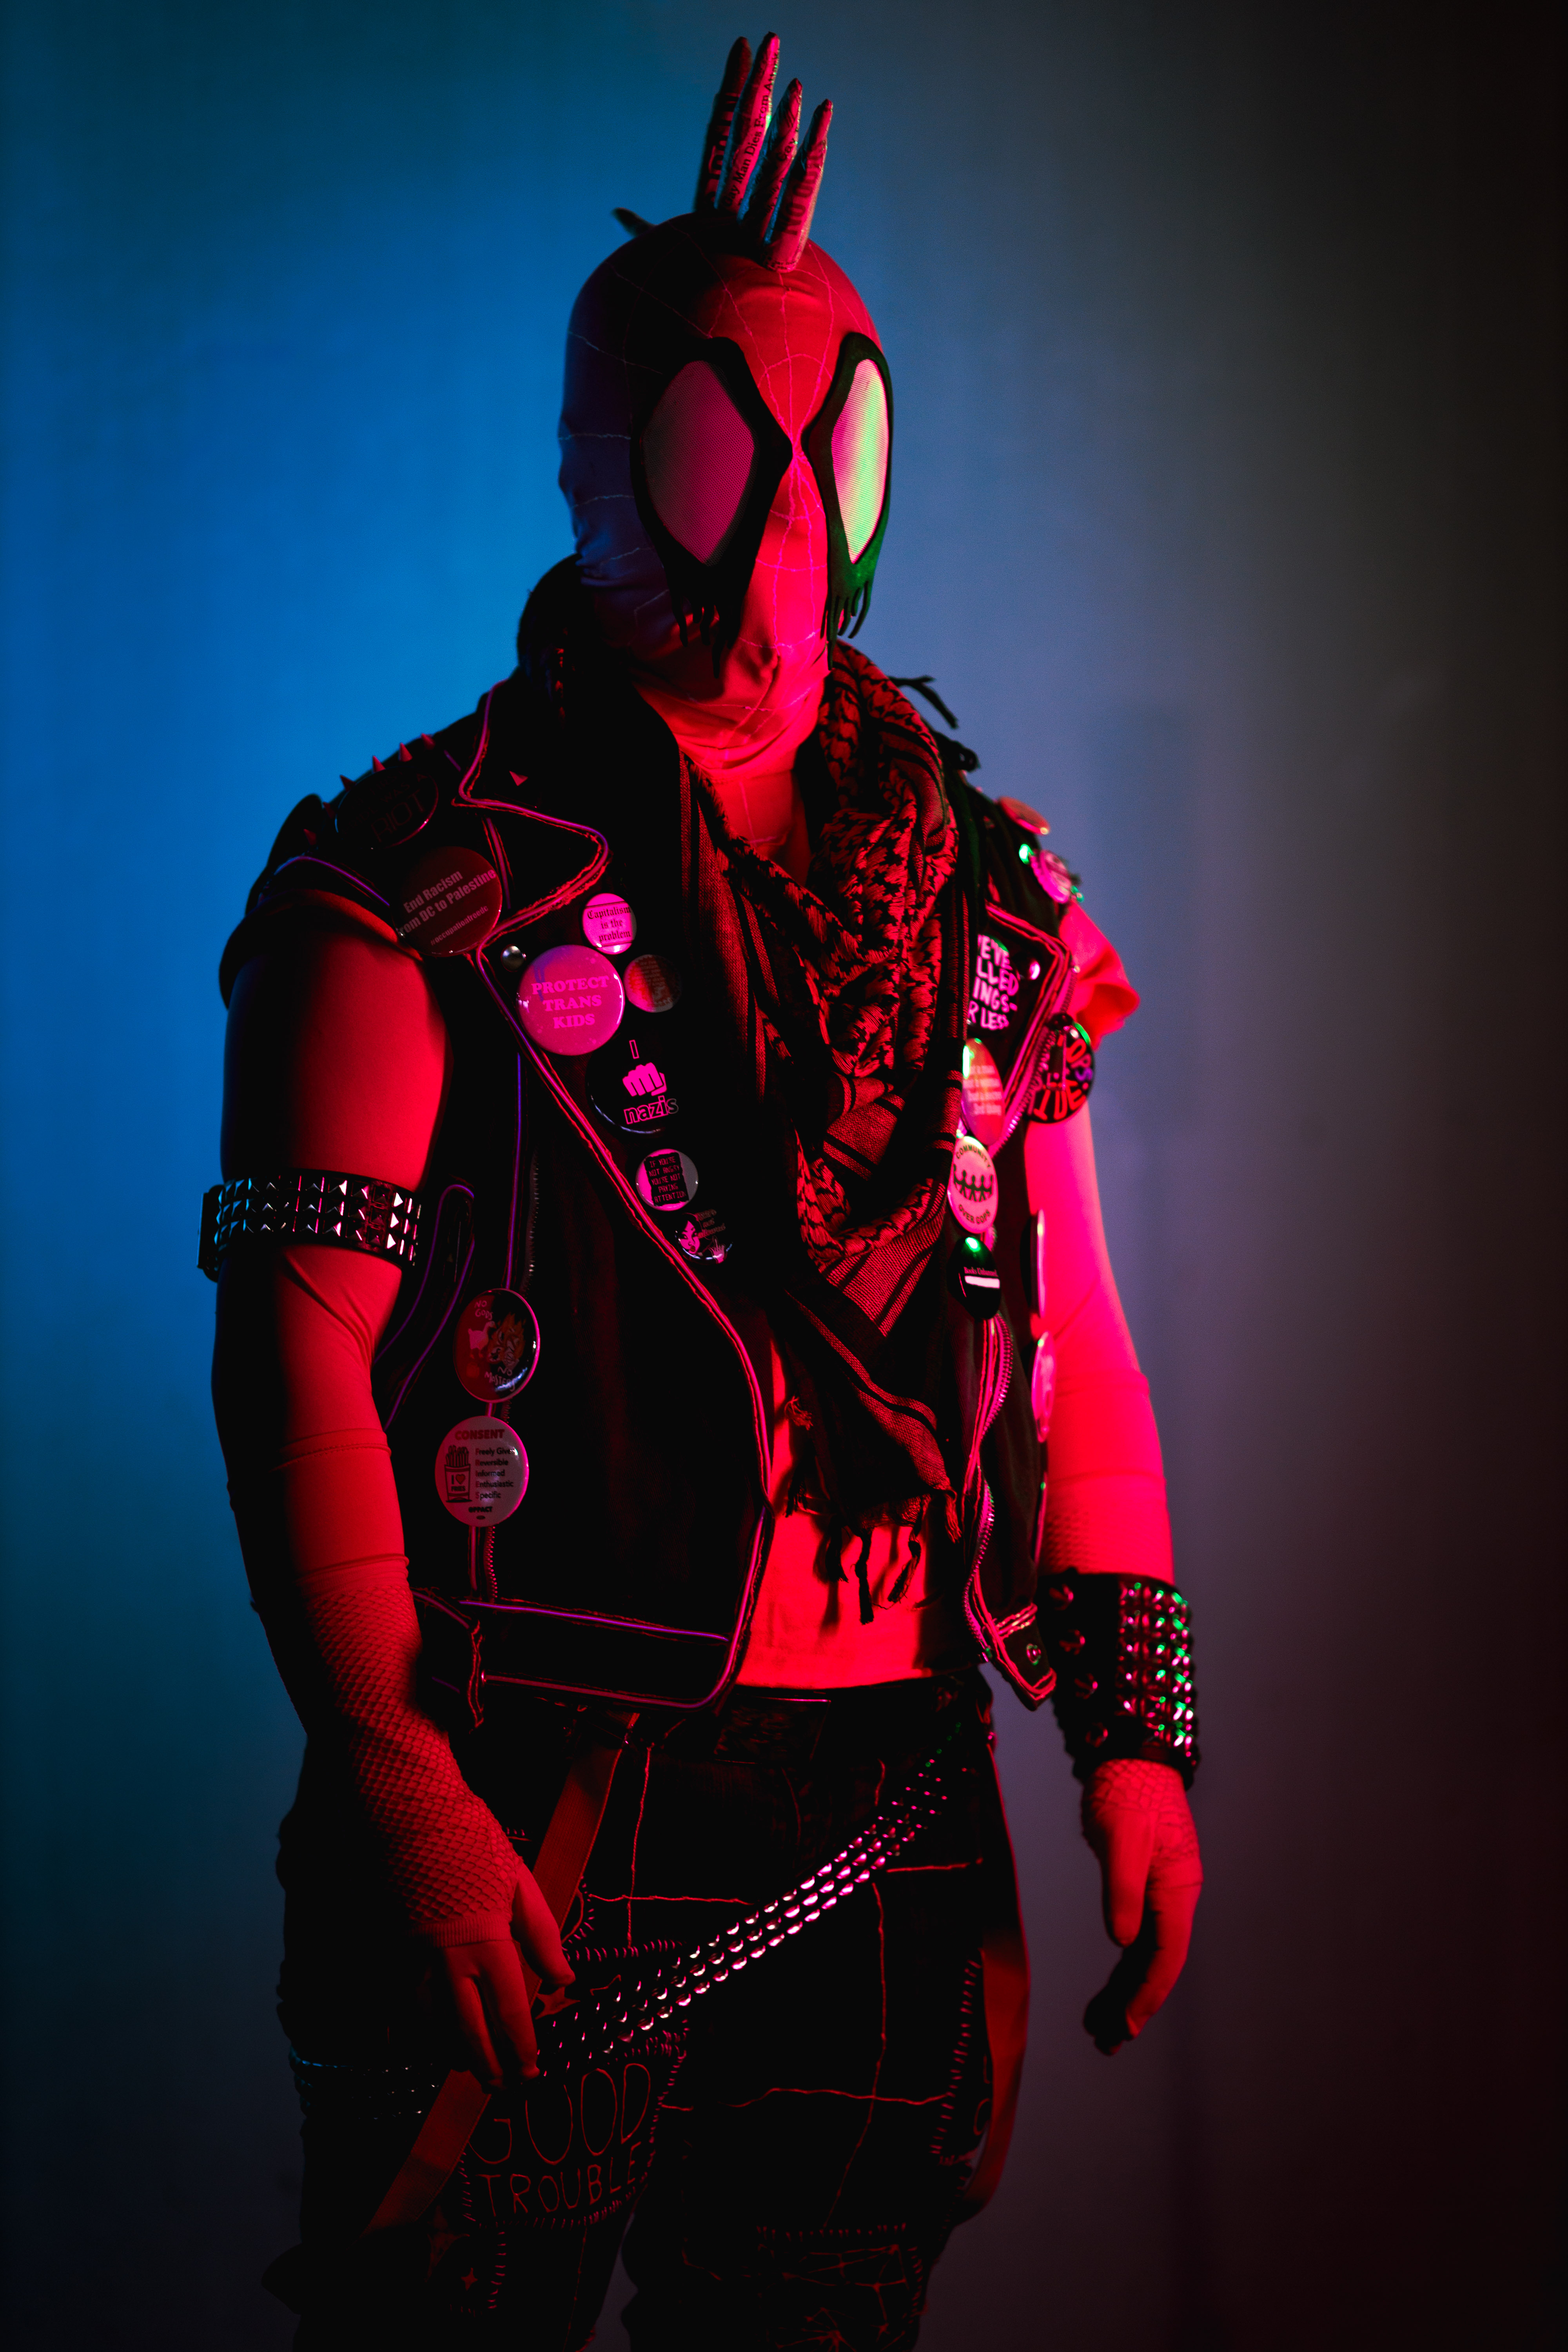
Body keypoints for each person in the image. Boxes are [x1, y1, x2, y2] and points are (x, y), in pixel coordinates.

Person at [207, 34, 1203, 2350]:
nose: (775, 547)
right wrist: (395, 1766)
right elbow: (298, 1345)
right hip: (532, 1788)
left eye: (821, 461)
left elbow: (1076, 1338)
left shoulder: (993, 905)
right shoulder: (417, 884)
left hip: (889, 1790)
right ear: (603, 469)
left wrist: (1137, 1730)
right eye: (712, 453)